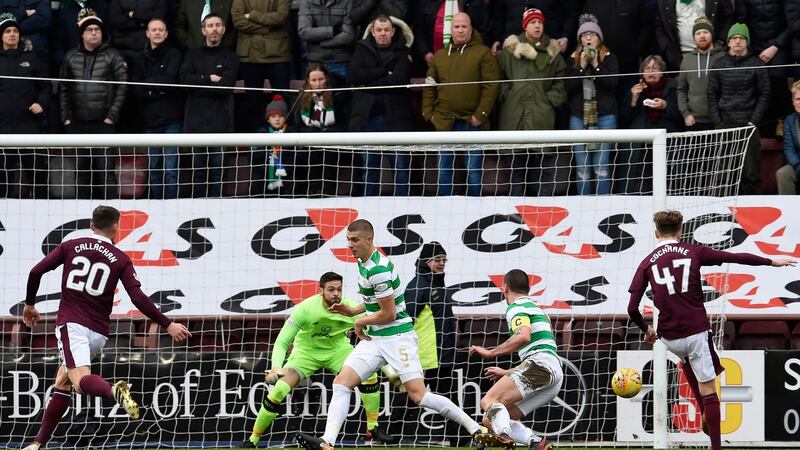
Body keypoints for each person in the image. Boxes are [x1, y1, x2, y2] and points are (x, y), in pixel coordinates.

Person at [295, 219, 492, 450]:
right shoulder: (364, 262)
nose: (350, 244)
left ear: (369, 239)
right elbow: (375, 301)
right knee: (341, 384)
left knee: (419, 396)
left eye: (355, 240)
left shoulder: (378, 270)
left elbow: (389, 313)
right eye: (348, 239)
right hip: (375, 339)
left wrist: (360, 321)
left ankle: (476, 429)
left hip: (398, 338)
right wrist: (353, 311)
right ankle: (327, 442)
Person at [19, 205, 192, 450]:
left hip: (72, 325)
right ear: (115, 228)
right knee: (63, 381)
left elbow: (36, 271)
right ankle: (38, 443)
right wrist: (168, 324)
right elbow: (137, 297)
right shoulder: (120, 258)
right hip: (99, 333)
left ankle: (114, 391)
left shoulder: (71, 245)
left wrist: (29, 304)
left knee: (79, 382)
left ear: (92, 226)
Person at [627, 210, 795, 450]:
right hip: (696, 330)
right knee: (709, 390)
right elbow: (734, 257)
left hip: (669, 337)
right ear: (680, 232)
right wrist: (771, 261)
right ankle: (716, 444)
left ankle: (704, 410)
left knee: (686, 361)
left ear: (656, 233)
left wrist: (646, 330)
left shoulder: (647, 262)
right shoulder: (693, 251)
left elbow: (632, 308)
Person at [240, 272, 396, 448]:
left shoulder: (350, 308)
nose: (336, 293)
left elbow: (376, 337)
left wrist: (390, 368)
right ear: (321, 290)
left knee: (369, 375)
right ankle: (253, 440)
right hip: (305, 354)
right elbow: (282, 341)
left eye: (339, 289)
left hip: (338, 351)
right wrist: (276, 367)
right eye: (331, 289)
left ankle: (373, 427)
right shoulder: (305, 309)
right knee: (278, 390)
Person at [469, 269, 560, 450]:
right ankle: (536, 442)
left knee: (489, 401)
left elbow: (523, 336)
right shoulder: (538, 310)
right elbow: (541, 348)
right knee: (490, 419)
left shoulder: (517, 307)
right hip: (554, 373)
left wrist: (490, 353)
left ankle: (503, 435)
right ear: (529, 288)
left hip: (540, 365)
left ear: (504, 288)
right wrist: (507, 372)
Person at [422, 12, 499, 197]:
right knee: (444, 169)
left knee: (473, 170)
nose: (460, 30)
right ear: (451, 29)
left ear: (471, 29)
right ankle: (444, 206)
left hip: (471, 122)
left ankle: (475, 208)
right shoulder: (440, 55)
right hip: (444, 121)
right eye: (456, 27)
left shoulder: (483, 53)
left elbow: (491, 86)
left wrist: (480, 115)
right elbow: (430, 85)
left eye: (464, 26)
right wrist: (429, 113)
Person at [497, 8, 566, 197]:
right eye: (533, 22)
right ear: (524, 26)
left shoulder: (552, 53)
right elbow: (499, 79)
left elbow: (561, 82)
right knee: (515, 171)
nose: (537, 26)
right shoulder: (509, 52)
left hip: (541, 116)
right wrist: (507, 95)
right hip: (514, 116)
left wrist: (548, 101)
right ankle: (516, 209)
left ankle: (544, 209)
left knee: (544, 171)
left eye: (540, 22)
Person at [60, 8, 128, 200]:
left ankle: (111, 213)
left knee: (106, 172)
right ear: (82, 34)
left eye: (97, 30)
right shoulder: (70, 56)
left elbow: (123, 86)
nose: (93, 33)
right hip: (77, 124)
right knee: (81, 173)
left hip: (104, 124)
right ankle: (81, 212)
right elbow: (64, 88)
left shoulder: (113, 56)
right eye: (89, 30)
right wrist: (66, 118)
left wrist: (111, 117)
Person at [347, 15, 414, 196]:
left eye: (386, 30)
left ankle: (403, 205)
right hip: (367, 120)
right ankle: (368, 206)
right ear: (373, 31)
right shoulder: (361, 49)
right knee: (370, 170)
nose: (383, 33)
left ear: (393, 32)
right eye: (379, 30)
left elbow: (398, 80)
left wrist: (368, 83)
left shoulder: (402, 52)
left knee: (400, 169)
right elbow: (354, 75)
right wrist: (384, 71)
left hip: (396, 120)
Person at [179, 13, 239, 198]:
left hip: (221, 125)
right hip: (196, 126)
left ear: (224, 29)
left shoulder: (230, 56)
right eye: (210, 25)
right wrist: (209, 78)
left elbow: (226, 86)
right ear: (203, 30)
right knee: (198, 174)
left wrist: (199, 85)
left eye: (218, 25)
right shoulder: (192, 54)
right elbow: (184, 81)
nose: (214, 29)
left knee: (218, 174)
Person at [707, 23, 769, 195]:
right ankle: (721, 208)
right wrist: (718, 122)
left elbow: (764, 94)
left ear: (747, 41)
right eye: (734, 38)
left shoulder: (757, 64)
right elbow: (711, 94)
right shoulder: (719, 64)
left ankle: (753, 209)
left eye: (741, 38)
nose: (737, 41)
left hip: (748, 126)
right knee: (722, 175)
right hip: (724, 125)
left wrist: (753, 120)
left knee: (751, 174)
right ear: (728, 42)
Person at [565, 13, 618, 196]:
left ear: (599, 38)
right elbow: (568, 88)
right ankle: (583, 204)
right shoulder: (572, 58)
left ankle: (602, 205)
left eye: (592, 34)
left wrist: (596, 65)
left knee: (601, 166)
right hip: (579, 118)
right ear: (580, 39)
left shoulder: (609, 57)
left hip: (605, 118)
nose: (588, 38)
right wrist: (580, 67)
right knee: (582, 167)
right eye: (584, 35)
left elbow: (612, 84)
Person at [131, 18, 184, 200]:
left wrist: (149, 86)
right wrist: (158, 89)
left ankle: (172, 206)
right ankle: (156, 206)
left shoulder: (174, 54)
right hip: (150, 121)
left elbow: (170, 82)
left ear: (166, 34)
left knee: (171, 169)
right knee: (154, 168)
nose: (157, 32)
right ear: (147, 33)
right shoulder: (140, 58)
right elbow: (136, 89)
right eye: (153, 29)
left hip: (172, 121)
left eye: (161, 30)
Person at [0, 13, 48, 199]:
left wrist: (41, 104)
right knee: (2, 177)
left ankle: (42, 208)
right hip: (3, 128)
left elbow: (45, 86)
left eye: (15, 31)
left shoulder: (32, 58)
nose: (12, 34)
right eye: (7, 31)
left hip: (28, 126)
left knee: (37, 175)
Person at [618, 55, 682, 194]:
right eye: (647, 69)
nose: (651, 72)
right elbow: (625, 118)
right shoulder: (636, 89)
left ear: (662, 72)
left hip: (667, 142)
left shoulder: (673, 87)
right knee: (640, 181)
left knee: (665, 179)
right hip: (641, 144)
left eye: (655, 68)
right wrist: (633, 99)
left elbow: (681, 115)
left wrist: (665, 106)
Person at [231, 0, 292, 132]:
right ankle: (256, 139)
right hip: (249, 56)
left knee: (282, 100)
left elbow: (280, 17)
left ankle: (284, 139)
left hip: (277, 53)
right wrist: (265, 28)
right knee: (253, 103)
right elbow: (238, 21)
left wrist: (252, 15)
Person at [404, 242, 456, 391]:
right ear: (425, 261)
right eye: (437, 259)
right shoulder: (418, 286)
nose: (442, 263)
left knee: (446, 400)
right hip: (425, 359)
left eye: (444, 260)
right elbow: (405, 320)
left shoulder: (438, 285)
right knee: (414, 400)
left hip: (442, 356)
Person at [294, 63, 351, 196]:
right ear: (308, 81)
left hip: (333, 142)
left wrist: (325, 133)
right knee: (310, 153)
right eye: (314, 80)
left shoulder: (338, 96)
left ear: (327, 78)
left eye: (321, 79)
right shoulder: (302, 97)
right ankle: (312, 189)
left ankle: (328, 191)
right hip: (310, 142)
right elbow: (298, 125)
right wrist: (314, 133)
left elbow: (345, 123)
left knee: (329, 154)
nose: (318, 84)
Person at [653, 0, 732, 72]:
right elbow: (660, 26)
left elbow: (728, 19)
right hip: (680, 55)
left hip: (711, 52)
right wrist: (668, 50)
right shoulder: (664, 2)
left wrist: (720, 42)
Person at [677, 17, 724, 132]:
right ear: (694, 37)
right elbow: (681, 90)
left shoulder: (723, 58)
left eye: (705, 32)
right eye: (698, 33)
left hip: (719, 120)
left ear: (712, 34)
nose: (702, 36)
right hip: (694, 121)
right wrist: (686, 113)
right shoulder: (687, 60)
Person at [297, 0, 355, 80]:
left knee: (343, 88)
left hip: (340, 61)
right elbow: (304, 32)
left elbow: (348, 36)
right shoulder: (307, 2)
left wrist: (323, 43)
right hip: (315, 62)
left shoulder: (346, 2)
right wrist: (332, 31)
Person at [250, 94, 289, 196]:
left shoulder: (291, 133)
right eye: (273, 116)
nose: (277, 119)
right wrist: (269, 153)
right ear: (268, 119)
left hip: (286, 177)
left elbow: (297, 157)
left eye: (281, 116)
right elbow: (252, 157)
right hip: (263, 177)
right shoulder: (261, 134)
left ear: (285, 118)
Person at [776, 81, 800, 195]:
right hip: (798, 163)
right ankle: (789, 205)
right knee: (783, 174)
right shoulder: (790, 121)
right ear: (793, 101)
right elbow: (789, 148)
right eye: (798, 99)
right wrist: (797, 166)